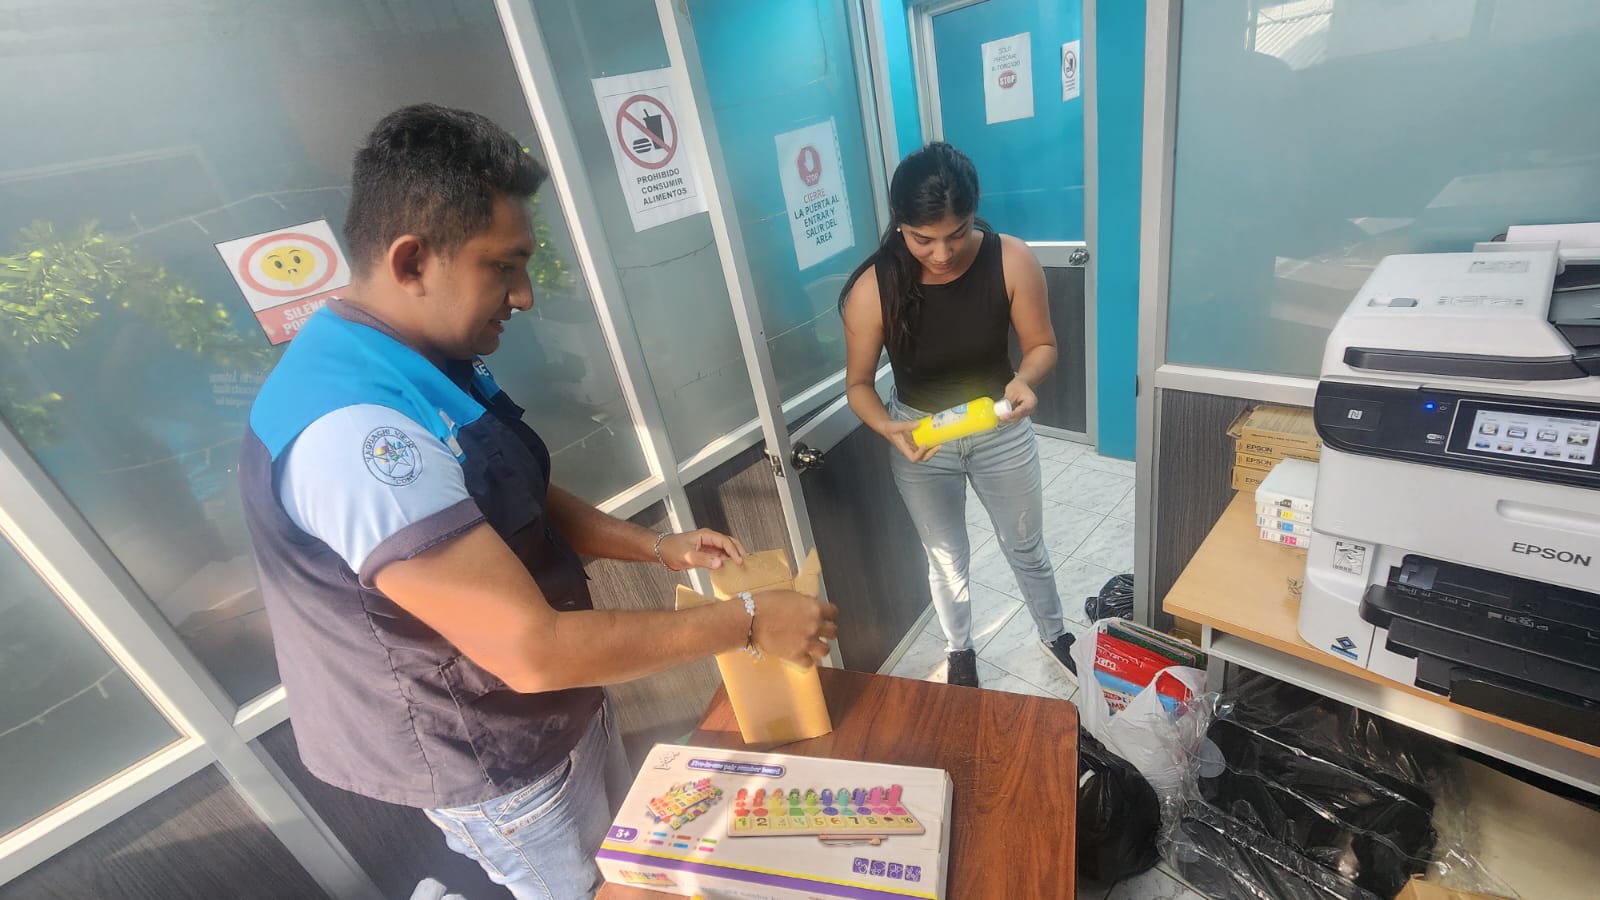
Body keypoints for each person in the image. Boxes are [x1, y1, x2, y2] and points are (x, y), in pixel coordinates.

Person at [238, 104, 838, 900]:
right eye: (503, 267)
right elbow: (533, 653)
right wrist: (751, 622)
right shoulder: (356, 433)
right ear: (412, 260)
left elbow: (508, 484)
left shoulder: (421, 356)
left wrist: (656, 547)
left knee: (631, 866)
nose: (523, 296)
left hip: (556, 711)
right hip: (494, 755)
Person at [838, 142, 1073, 689]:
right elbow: (857, 385)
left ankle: (1055, 633)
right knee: (946, 558)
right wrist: (886, 426)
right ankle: (959, 649)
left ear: (973, 214)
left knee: (1025, 544)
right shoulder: (875, 288)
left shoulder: (1010, 259)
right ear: (900, 223)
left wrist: (1025, 378)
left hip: (999, 428)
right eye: (923, 239)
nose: (942, 254)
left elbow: (1042, 346)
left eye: (957, 234)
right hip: (924, 437)